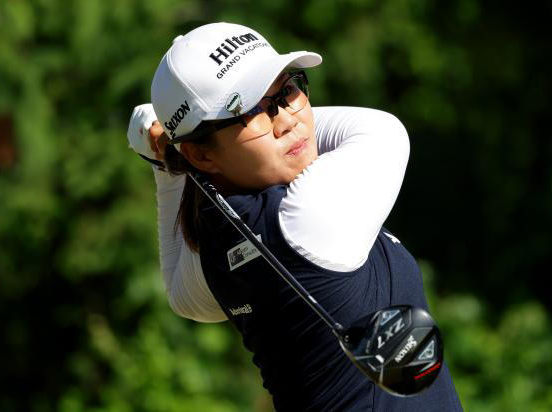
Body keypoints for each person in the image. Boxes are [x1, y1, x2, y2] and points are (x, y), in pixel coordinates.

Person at [127, 22, 463, 411]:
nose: (286, 119)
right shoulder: (306, 215)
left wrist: (170, 160)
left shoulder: (218, 242)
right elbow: (382, 129)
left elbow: (182, 297)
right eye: (249, 110)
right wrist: (173, 151)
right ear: (203, 155)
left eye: (287, 89)